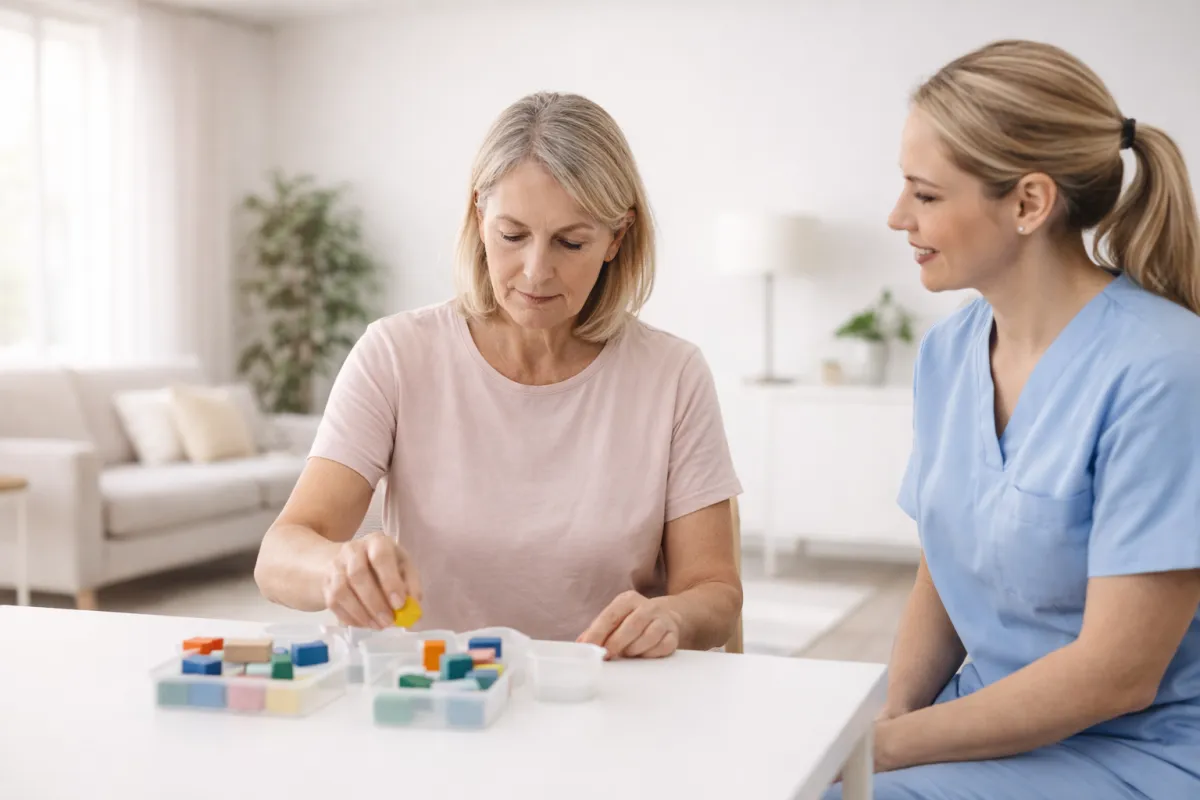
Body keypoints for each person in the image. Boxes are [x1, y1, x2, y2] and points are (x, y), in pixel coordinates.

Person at [826, 40, 1200, 799]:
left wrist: (886, 748)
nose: (898, 217)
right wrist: (884, 726)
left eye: (925, 194)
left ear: (1029, 203)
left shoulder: (1165, 370)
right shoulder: (947, 353)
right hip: (988, 720)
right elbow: (944, 567)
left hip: (1135, 750)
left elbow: (1116, 676)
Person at [254, 91, 744, 659]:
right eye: (513, 235)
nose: (537, 271)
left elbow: (714, 593)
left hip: (604, 698)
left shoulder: (672, 375)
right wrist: (338, 567)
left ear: (617, 238)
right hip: (435, 695)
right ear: (479, 217)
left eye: (571, 241)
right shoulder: (396, 353)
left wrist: (672, 617)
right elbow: (279, 556)